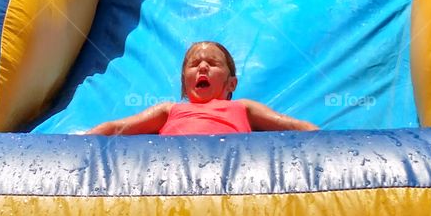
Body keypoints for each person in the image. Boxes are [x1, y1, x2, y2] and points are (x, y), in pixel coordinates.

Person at [82, 41, 319, 135]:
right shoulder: (170, 110)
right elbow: (118, 127)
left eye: (213, 64)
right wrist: (82, 141)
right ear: (185, 84)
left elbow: (293, 125)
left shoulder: (242, 107)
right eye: (194, 65)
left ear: (231, 84)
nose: (202, 67)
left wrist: (321, 139)